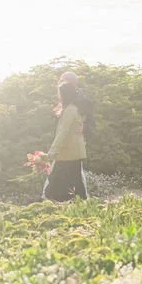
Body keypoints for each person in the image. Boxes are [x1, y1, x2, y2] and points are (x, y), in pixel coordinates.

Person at [42, 72, 94, 202]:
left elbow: (64, 131)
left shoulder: (75, 105)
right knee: (72, 180)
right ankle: (79, 203)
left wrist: (51, 153)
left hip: (70, 150)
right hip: (70, 149)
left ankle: (54, 203)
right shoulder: (69, 106)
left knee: (60, 181)